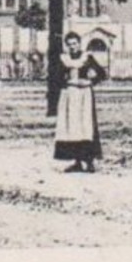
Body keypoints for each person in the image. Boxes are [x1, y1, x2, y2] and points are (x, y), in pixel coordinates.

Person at [53, 31, 106, 173]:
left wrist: (90, 81)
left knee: (86, 127)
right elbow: (56, 77)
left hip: (84, 96)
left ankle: (89, 162)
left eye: (75, 43)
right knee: (72, 127)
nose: (72, 47)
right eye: (69, 44)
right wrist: (65, 81)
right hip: (70, 95)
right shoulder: (63, 59)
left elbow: (102, 73)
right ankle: (76, 161)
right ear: (66, 46)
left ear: (79, 44)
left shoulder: (87, 58)